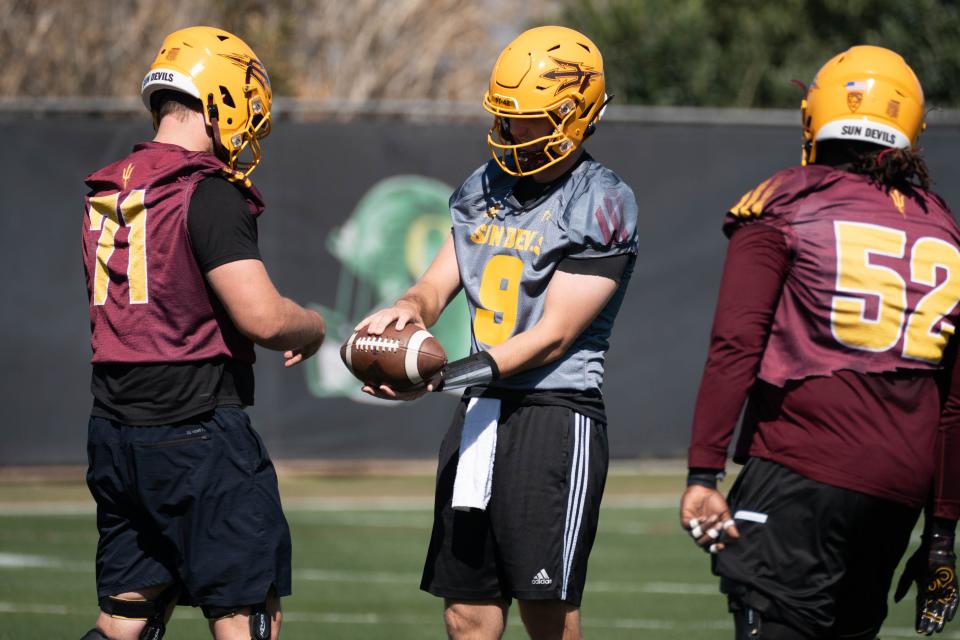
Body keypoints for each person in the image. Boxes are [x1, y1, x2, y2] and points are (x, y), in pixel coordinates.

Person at [356, 25, 638, 640]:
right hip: (482, 409)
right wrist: (407, 311)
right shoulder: (482, 186)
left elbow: (554, 335)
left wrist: (438, 378)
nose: (511, 132)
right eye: (506, 118)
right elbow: (435, 285)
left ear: (573, 115)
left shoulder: (602, 199)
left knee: (546, 614)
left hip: (554, 412)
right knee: (466, 612)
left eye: (529, 119)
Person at [679, 45, 960, 639]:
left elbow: (735, 346)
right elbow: (953, 402)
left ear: (816, 116)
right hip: (898, 492)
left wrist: (704, 473)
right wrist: (941, 536)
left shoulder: (790, 199)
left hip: (802, 468)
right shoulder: (941, 223)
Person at [80, 26, 325, 640]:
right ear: (222, 97)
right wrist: (314, 326)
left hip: (113, 431)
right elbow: (263, 318)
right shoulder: (207, 190)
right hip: (195, 430)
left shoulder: (109, 189)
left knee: (126, 614)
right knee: (245, 609)